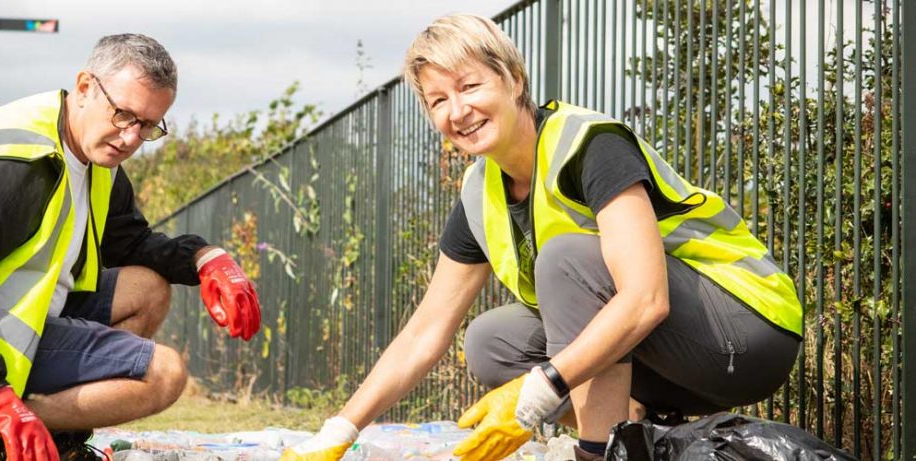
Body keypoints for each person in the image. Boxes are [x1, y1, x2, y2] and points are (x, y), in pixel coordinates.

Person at [281, 14, 802, 461]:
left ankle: (598, 453)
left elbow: (646, 298)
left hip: (744, 332)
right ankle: (635, 426)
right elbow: (424, 334)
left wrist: (539, 392)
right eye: (438, 100)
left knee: (566, 258)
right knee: (490, 343)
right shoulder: (479, 194)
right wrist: (340, 430)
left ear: (512, 79)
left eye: (469, 87)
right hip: (667, 363)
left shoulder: (589, 145)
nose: (456, 111)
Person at [0, 34, 261, 461]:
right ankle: (6, 434)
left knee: (148, 288)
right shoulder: (18, 168)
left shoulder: (92, 156)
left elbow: (133, 242)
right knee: (164, 374)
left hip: (20, 324)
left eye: (147, 126)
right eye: (123, 115)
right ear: (85, 86)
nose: (130, 138)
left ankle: (54, 436)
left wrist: (206, 259)